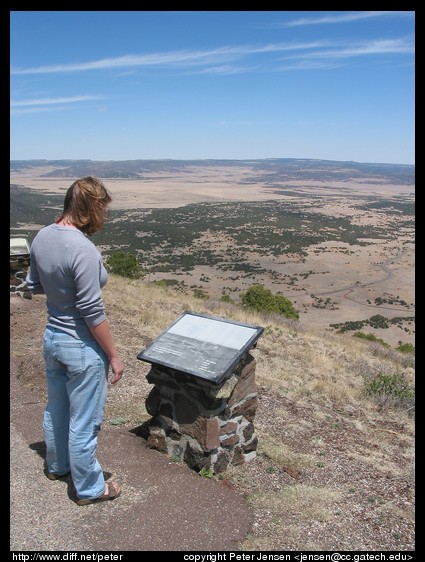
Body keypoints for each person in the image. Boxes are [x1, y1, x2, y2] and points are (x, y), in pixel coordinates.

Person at [25, 176, 124, 506]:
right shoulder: (82, 248)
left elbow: (33, 284)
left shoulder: (42, 237)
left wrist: (59, 292)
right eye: (103, 209)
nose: (104, 216)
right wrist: (113, 355)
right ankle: (90, 488)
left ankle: (57, 466)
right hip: (80, 347)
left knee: (56, 410)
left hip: (52, 338)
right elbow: (92, 312)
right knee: (84, 422)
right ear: (92, 207)